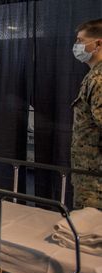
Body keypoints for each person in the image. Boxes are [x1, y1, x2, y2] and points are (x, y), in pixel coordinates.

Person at [71, 18, 102, 209]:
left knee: (89, 235)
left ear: (97, 44)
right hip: (89, 175)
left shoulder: (99, 79)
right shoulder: (93, 76)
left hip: (95, 182)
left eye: (80, 41)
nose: (76, 46)